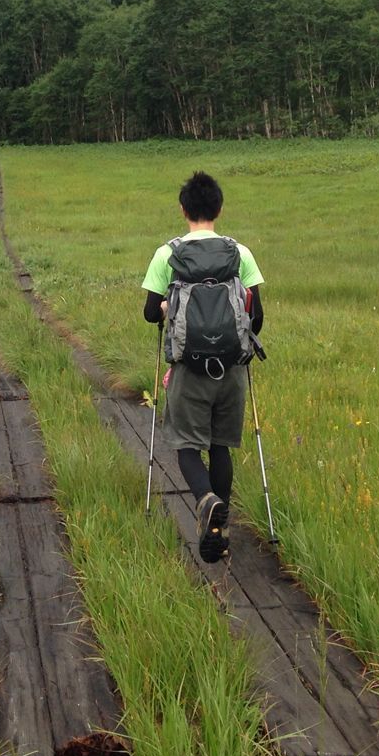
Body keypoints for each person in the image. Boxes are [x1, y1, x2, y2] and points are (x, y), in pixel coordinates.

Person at [140, 170, 264, 562]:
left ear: (183, 209)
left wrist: (167, 309)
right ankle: (220, 531)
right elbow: (256, 317)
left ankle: (206, 501)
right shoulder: (239, 253)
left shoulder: (168, 253)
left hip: (188, 370)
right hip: (231, 370)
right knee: (220, 446)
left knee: (187, 447)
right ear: (219, 208)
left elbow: (149, 314)